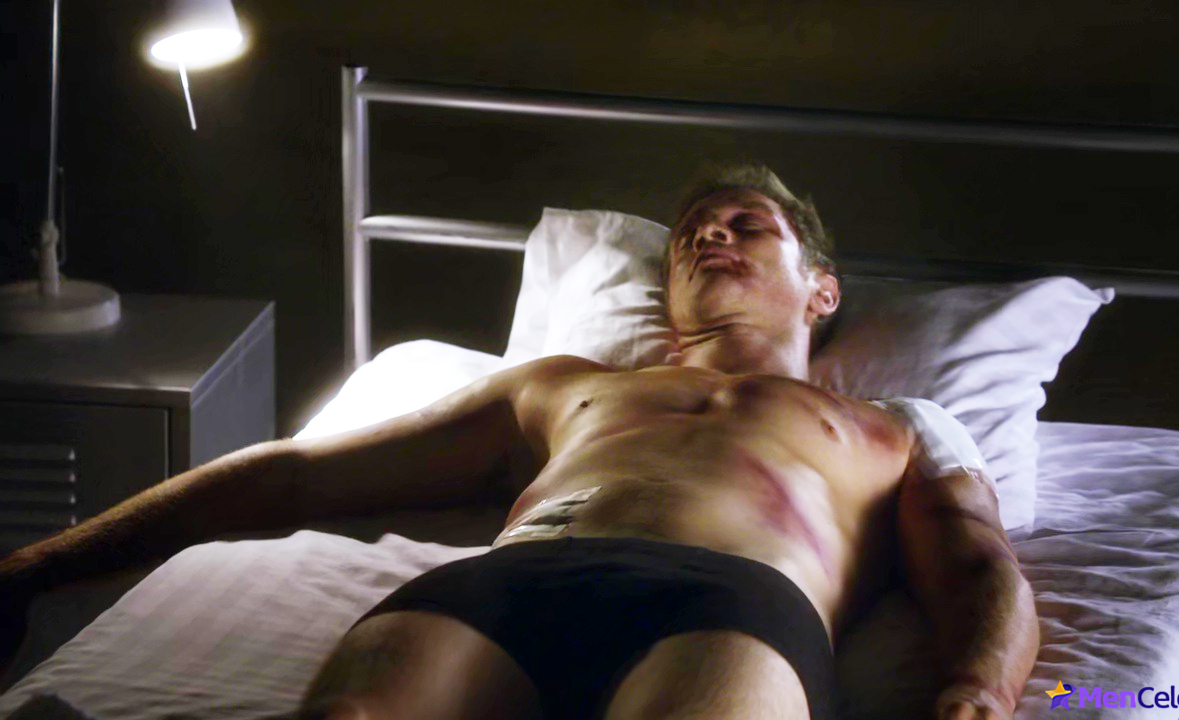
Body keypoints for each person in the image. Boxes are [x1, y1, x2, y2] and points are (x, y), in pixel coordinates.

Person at [0, 165, 1039, 720]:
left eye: (744, 224)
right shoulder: (563, 386)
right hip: (510, 582)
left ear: (822, 291)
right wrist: (36, 564)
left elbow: (979, 566)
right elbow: (296, 477)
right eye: (691, 233)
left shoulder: (894, 425)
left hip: (730, 598)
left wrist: (978, 692)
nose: (707, 236)